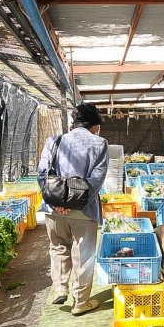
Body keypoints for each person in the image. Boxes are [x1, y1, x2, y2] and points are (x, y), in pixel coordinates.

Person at [37, 103, 108, 315]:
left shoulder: (54, 141)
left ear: (73, 123)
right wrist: (76, 202)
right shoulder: (99, 143)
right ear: (94, 125)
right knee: (83, 253)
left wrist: (57, 202)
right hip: (84, 210)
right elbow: (97, 179)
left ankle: (60, 287)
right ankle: (80, 302)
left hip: (53, 209)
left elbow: (42, 174)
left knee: (58, 246)